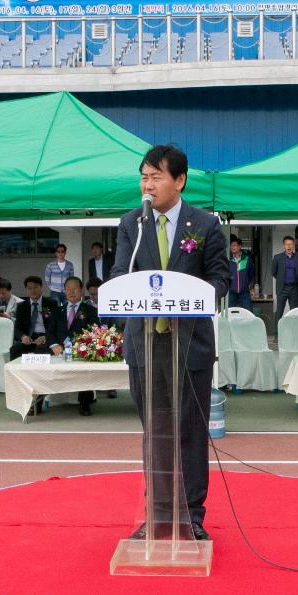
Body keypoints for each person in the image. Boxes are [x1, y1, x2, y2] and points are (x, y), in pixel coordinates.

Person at [110, 144, 229, 540]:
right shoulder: (132, 223)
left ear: (179, 180)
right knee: (155, 431)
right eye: (143, 177)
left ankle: (192, 515)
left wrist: (187, 298)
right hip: (145, 345)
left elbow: (220, 280)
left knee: (191, 432)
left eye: (156, 176)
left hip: (189, 344)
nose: (148, 184)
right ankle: (159, 513)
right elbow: (120, 274)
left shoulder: (205, 224)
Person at [63, 276, 99, 416]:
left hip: (81, 348)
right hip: (60, 348)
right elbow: (51, 332)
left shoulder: (90, 310)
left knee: (86, 366)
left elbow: (94, 331)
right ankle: (38, 402)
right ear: (64, 291)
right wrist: (54, 344)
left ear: (81, 290)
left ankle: (85, 404)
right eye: (68, 290)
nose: (72, 292)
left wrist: (81, 345)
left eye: (75, 289)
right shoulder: (58, 310)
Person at [11, 275, 65, 362]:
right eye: (30, 288)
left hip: (46, 338)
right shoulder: (21, 306)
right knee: (15, 349)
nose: (33, 290)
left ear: (41, 287)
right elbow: (17, 328)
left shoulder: (51, 303)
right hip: (29, 339)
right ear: (26, 290)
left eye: (36, 287)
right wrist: (23, 337)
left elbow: (56, 326)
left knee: (42, 350)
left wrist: (45, 337)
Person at [270, 235, 298, 321]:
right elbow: (274, 272)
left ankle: (293, 332)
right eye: (287, 244)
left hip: (294, 288)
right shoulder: (277, 257)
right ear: (284, 245)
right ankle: (276, 333)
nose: (289, 246)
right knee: (279, 311)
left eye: (291, 244)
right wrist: (282, 279)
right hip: (282, 288)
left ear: (294, 245)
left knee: (294, 312)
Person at [226, 236, 254, 312]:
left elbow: (251, 273)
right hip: (231, 291)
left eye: (234, 245)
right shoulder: (228, 259)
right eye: (231, 245)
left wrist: (246, 283)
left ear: (240, 246)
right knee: (229, 312)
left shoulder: (247, 259)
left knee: (248, 312)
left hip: (244, 291)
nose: (232, 247)